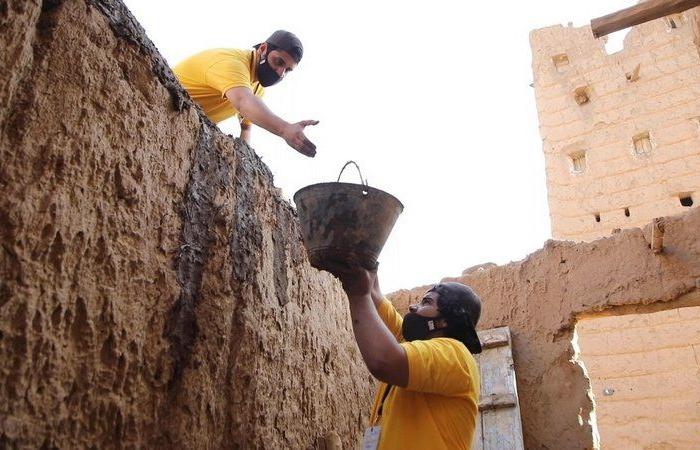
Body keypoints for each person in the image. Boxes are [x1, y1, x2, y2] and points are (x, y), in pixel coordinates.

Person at [334, 267, 482, 450]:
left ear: (445, 320)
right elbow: (374, 293)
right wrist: (364, 258)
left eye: (426, 303)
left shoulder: (456, 355)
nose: (413, 307)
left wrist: (358, 295)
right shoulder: (410, 345)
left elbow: (383, 360)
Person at [173, 30, 318, 157]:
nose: (280, 73)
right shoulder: (232, 64)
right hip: (165, 107)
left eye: (287, 70)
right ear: (263, 48)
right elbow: (243, 102)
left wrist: (243, 160)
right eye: (279, 62)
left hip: (182, 128)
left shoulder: (255, 87)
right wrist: (285, 129)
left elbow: (246, 126)